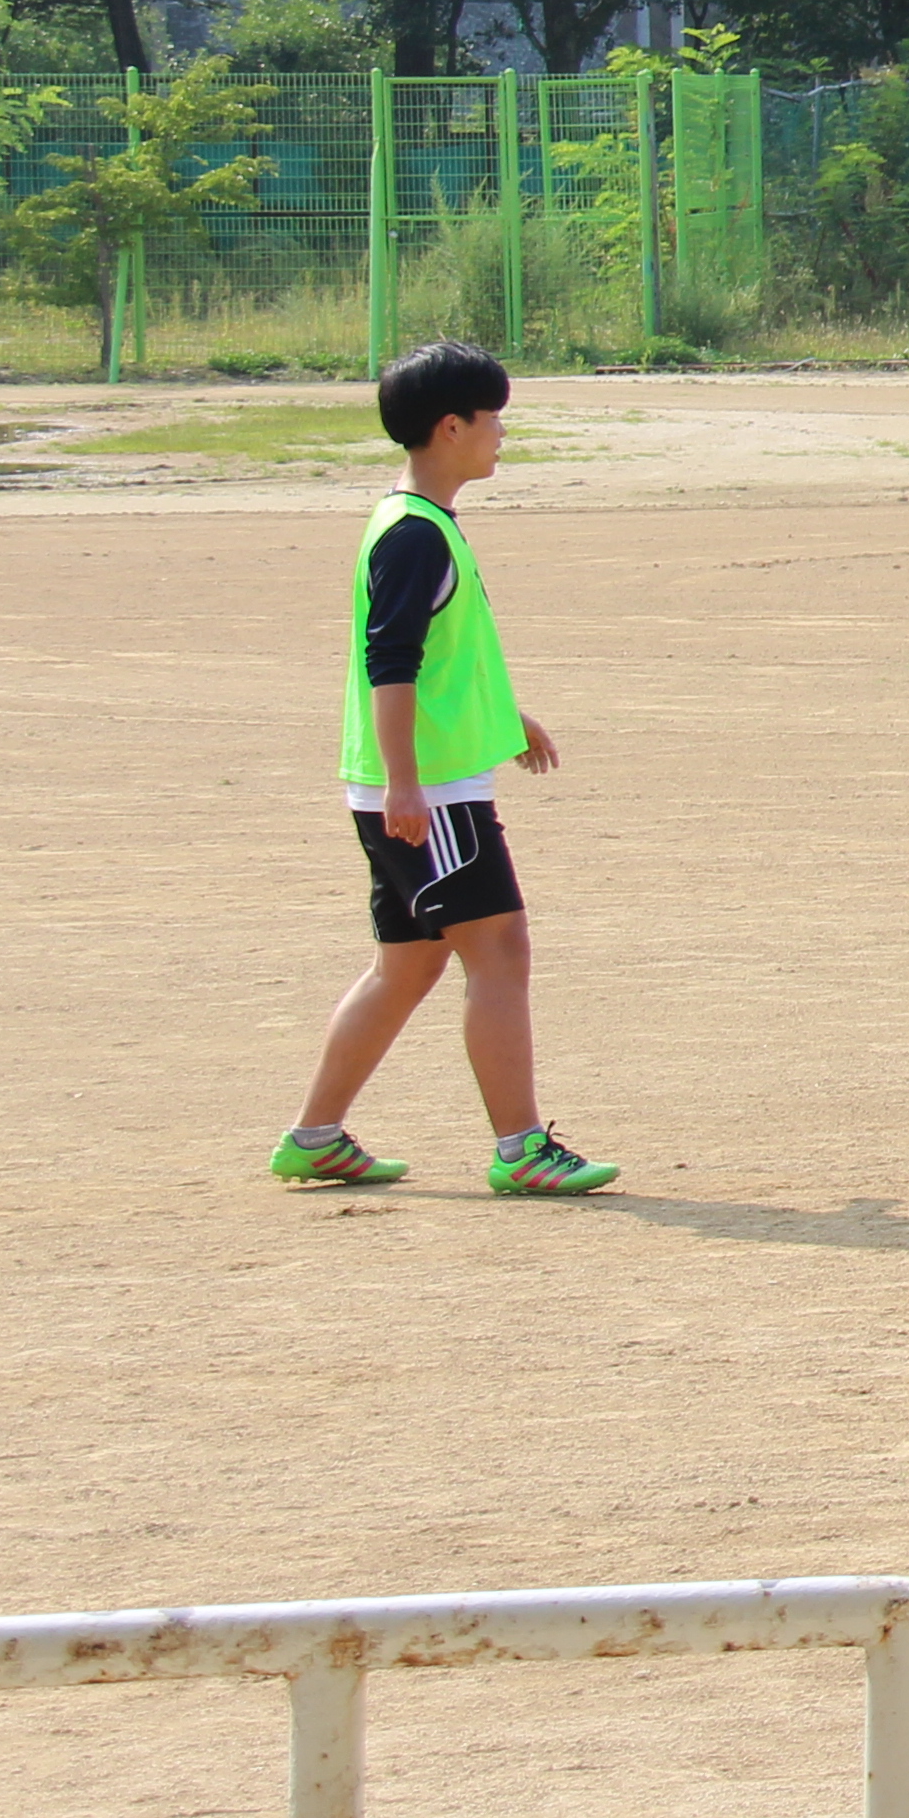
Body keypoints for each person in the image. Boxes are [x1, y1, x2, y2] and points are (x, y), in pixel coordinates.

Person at [276, 341, 618, 1197]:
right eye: (493, 417)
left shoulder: (422, 525)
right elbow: (388, 663)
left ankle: (314, 1137)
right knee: (499, 949)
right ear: (451, 425)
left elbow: (441, 664)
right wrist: (405, 784)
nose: (503, 432)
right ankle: (522, 1149)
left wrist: (507, 719)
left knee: (411, 961)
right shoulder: (415, 535)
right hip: (429, 796)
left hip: (416, 785)